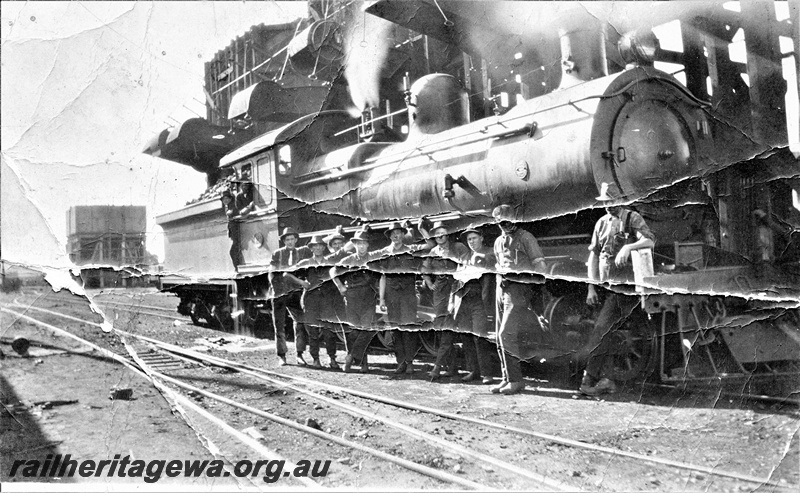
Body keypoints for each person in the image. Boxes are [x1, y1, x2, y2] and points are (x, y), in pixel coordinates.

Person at [581, 184, 655, 396]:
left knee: (604, 331)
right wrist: (591, 287)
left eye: (612, 202)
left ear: (621, 201)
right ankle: (603, 380)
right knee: (604, 332)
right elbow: (594, 255)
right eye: (605, 202)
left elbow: (649, 241)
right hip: (607, 287)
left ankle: (591, 380)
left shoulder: (632, 218)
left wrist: (628, 247)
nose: (608, 206)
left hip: (626, 288)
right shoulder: (601, 223)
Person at [492, 204, 547, 395]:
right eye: (501, 223)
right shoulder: (499, 241)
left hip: (519, 290)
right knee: (499, 336)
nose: (505, 225)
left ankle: (516, 381)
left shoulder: (525, 238)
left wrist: (535, 293)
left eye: (508, 221)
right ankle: (506, 377)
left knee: (505, 334)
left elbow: (539, 265)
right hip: (502, 289)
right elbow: (499, 264)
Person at [372, 222, 426, 374]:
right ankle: (400, 361)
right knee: (396, 329)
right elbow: (382, 276)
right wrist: (382, 299)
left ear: (403, 235)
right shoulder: (384, 253)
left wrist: (421, 229)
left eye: (398, 233)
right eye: (392, 233)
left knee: (408, 328)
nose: (395, 236)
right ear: (389, 236)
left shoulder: (410, 251)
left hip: (408, 295)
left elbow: (429, 246)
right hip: (392, 295)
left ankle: (409, 362)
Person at [419, 220, 468, 380]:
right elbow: (424, 269)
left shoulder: (459, 247)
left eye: (442, 233)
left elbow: (467, 264)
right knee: (441, 328)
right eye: (436, 234)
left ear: (447, 234)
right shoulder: (433, 251)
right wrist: (429, 283)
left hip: (456, 287)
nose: (439, 236)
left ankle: (438, 366)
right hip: (439, 290)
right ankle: (451, 367)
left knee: (449, 326)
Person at [451, 225, 497, 384]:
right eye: (469, 239)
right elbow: (456, 279)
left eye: (474, 238)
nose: (471, 241)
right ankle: (473, 370)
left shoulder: (490, 253)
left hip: (480, 302)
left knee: (480, 337)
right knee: (466, 337)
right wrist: (453, 301)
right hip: (464, 300)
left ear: (482, 238)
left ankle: (487, 374)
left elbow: (491, 263)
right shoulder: (465, 257)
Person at [331, 229, 379, 373]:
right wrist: (340, 286)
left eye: (364, 243)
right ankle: (363, 363)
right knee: (353, 333)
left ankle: (350, 357)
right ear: (355, 245)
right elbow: (333, 271)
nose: (362, 246)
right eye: (359, 244)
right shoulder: (349, 260)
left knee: (365, 330)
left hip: (368, 299)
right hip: (351, 299)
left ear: (368, 245)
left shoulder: (373, 258)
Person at [293, 235, 338, 369]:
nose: (317, 248)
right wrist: (301, 282)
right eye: (315, 246)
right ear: (311, 248)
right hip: (310, 301)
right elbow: (286, 274)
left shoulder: (329, 262)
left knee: (329, 332)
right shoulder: (306, 263)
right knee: (313, 332)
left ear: (324, 248)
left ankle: (332, 359)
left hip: (326, 301)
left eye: (320, 246)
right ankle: (316, 359)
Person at [269, 227, 311, 366]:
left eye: (292, 239)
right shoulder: (277, 254)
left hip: (296, 293)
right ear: (284, 241)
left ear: (296, 240)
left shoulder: (302, 252)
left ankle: (299, 354)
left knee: (300, 323)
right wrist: (275, 286)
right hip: (280, 293)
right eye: (287, 239)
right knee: (279, 326)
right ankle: (282, 356)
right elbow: (272, 272)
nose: (290, 242)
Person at [220, 189, 240, 269]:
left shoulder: (233, 206)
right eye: (223, 199)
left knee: (233, 252)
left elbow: (236, 210)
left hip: (237, 232)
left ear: (230, 198)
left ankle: (237, 268)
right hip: (234, 232)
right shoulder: (228, 207)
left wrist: (231, 212)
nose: (225, 200)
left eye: (226, 198)